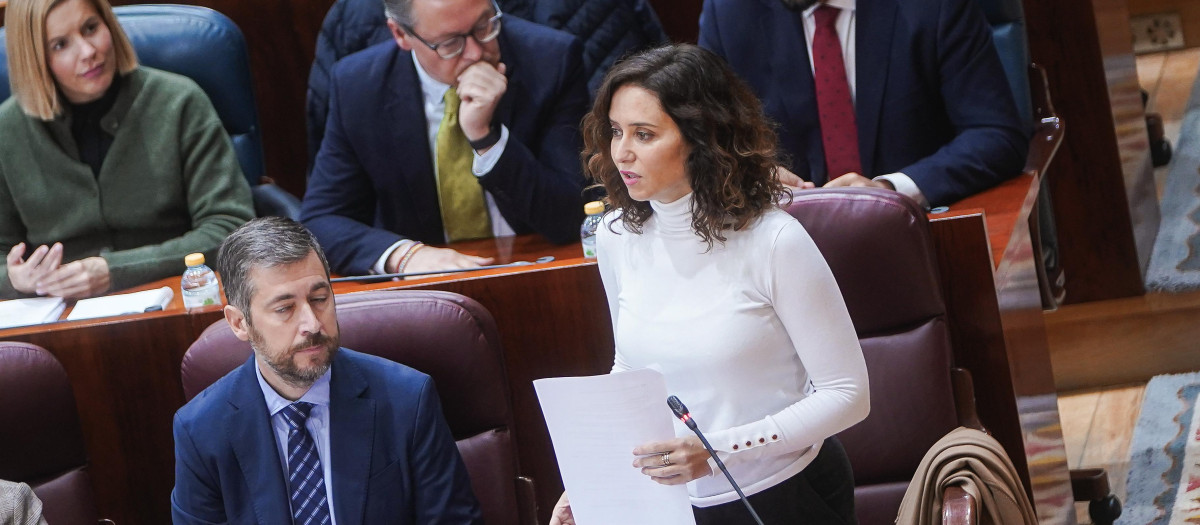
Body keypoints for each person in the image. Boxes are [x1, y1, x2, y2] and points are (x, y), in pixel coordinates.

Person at [550, 44, 870, 525]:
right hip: (678, 504)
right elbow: (632, 369)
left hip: (786, 493)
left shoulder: (775, 240)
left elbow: (848, 394)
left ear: (701, 138)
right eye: (615, 131)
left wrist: (719, 451)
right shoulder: (615, 236)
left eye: (644, 134)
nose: (622, 152)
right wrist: (594, 478)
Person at [171, 217, 482, 524]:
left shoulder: (408, 401)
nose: (312, 323)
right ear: (240, 323)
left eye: (319, 298)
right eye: (285, 308)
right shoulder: (201, 431)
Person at [300, 0, 588, 277]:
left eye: (483, 26)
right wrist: (406, 256)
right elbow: (322, 220)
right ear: (401, 34)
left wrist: (486, 139)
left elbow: (570, 217)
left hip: (537, 267)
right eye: (450, 43)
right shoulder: (359, 85)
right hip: (427, 286)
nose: (475, 52)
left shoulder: (551, 59)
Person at [0, 0, 254, 300]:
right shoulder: (7, 130)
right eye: (60, 45)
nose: (88, 51)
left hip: (178, 297)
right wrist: (15, 279)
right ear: (34, 59)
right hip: (62, 313)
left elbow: (230, 227)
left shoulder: (179, 101)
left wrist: (117, 270)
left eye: (90, 28)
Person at [698, 0, 1029, 209]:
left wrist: (890, 190)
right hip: (792, 247)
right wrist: (755, 176)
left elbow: (995, 134)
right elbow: (705, 146)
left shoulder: (931, 6)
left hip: (925, 234)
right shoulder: (730, 12)